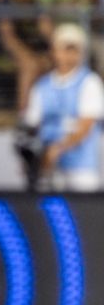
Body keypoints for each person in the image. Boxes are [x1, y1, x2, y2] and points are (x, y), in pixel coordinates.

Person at [23, 23, 104, 192]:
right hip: (48, 168)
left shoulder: (89, 82)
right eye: (64, 48)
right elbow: (31, 125)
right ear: (54, 50)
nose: (68, 54)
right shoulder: (42, 86)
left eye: (73, 49)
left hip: (81, 168)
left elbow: (85, 126)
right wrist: (33, 157)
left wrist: (58, 149)